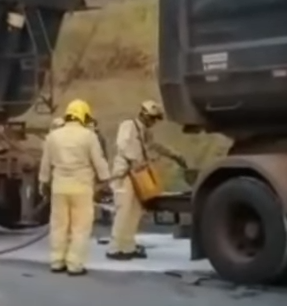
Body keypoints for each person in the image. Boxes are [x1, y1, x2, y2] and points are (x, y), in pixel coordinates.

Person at [39, 99, 111, 276]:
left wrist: (43, 183)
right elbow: (99, 161)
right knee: (80, 227)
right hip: (81, 188)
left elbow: (45, 164)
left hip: (59, 188)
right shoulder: (88, 136)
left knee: (58, 225)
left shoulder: (53, 136)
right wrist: (106, 180)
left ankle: (57, 261)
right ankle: (74, 264)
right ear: (84, 116)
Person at [106, 100, 184, 260]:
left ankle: (128, 247)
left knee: (134, 212)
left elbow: (155, 145)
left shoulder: (145, 132)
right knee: (123, 212)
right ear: (146, 116)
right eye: (153, 119)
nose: (154, 122)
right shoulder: (128, 125)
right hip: (124, 175)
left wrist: (174, 155)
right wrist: (135, 160)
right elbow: (122, 145)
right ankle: (114, 249)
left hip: (137, 176)